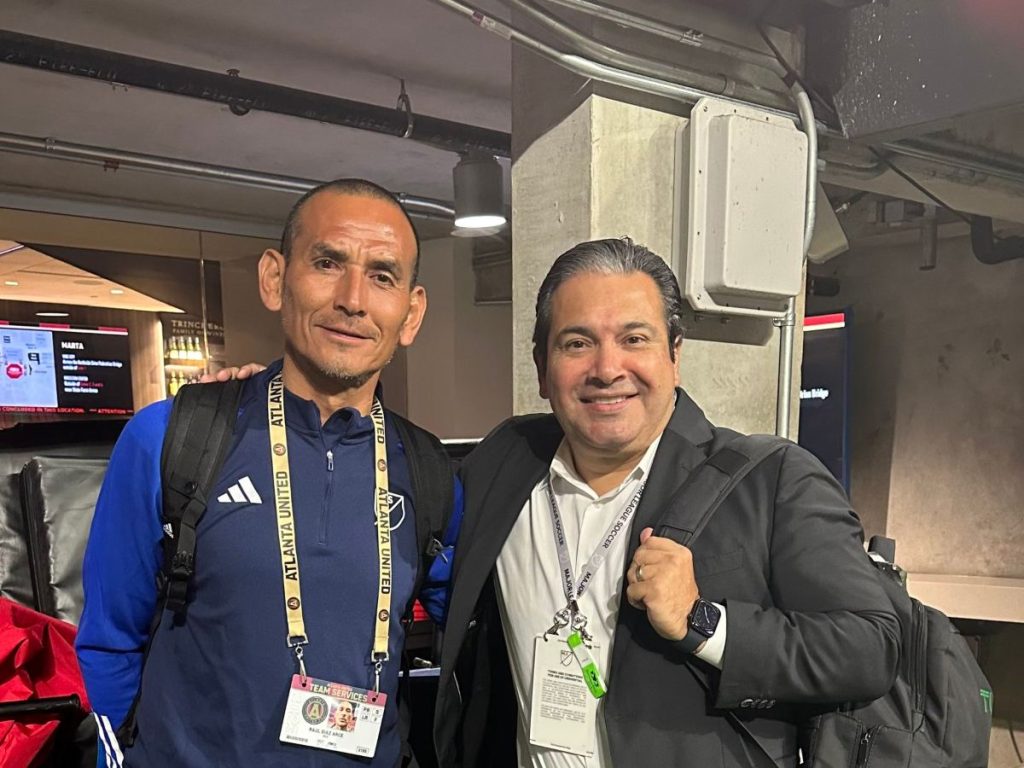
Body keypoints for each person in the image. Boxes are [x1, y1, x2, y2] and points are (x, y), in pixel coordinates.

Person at [432, 237, 901, 767]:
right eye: (577, 343)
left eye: (634, 338)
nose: (607, 368)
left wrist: (703, 623)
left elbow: (869, 648)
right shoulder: (503, 464)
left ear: (674, 355)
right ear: (542, 369)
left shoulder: (771, 480)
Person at [75, 179, 459, 768]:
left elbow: (481, 627)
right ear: (275, 279)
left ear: (411, 312)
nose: (353, 299)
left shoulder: (430, 472)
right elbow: (108, 643)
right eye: (327, 262)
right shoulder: (169, 439)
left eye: (382, 276)